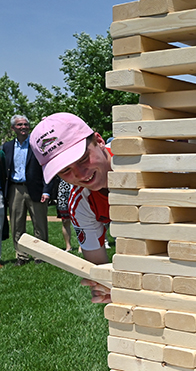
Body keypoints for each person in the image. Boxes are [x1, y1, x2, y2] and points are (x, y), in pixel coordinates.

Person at [30, 112, 113, 303]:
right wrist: (105, 288)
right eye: (65, 170)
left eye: (83, 158)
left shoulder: (146, 162)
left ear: (99, 140)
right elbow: (100, 271)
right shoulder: (81, 203)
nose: (81, 174)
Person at [2, 115, 54, 265]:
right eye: (19, 125)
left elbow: (48, 167)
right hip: (15, 189)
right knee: (17, 225)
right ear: (13, 128)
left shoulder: (37, 144)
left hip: (36, 189)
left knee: (40, 224)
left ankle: (40, 256)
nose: (23, 127)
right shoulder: (7, 147)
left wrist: (47, 190)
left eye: (25, 124)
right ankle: (21, 256)